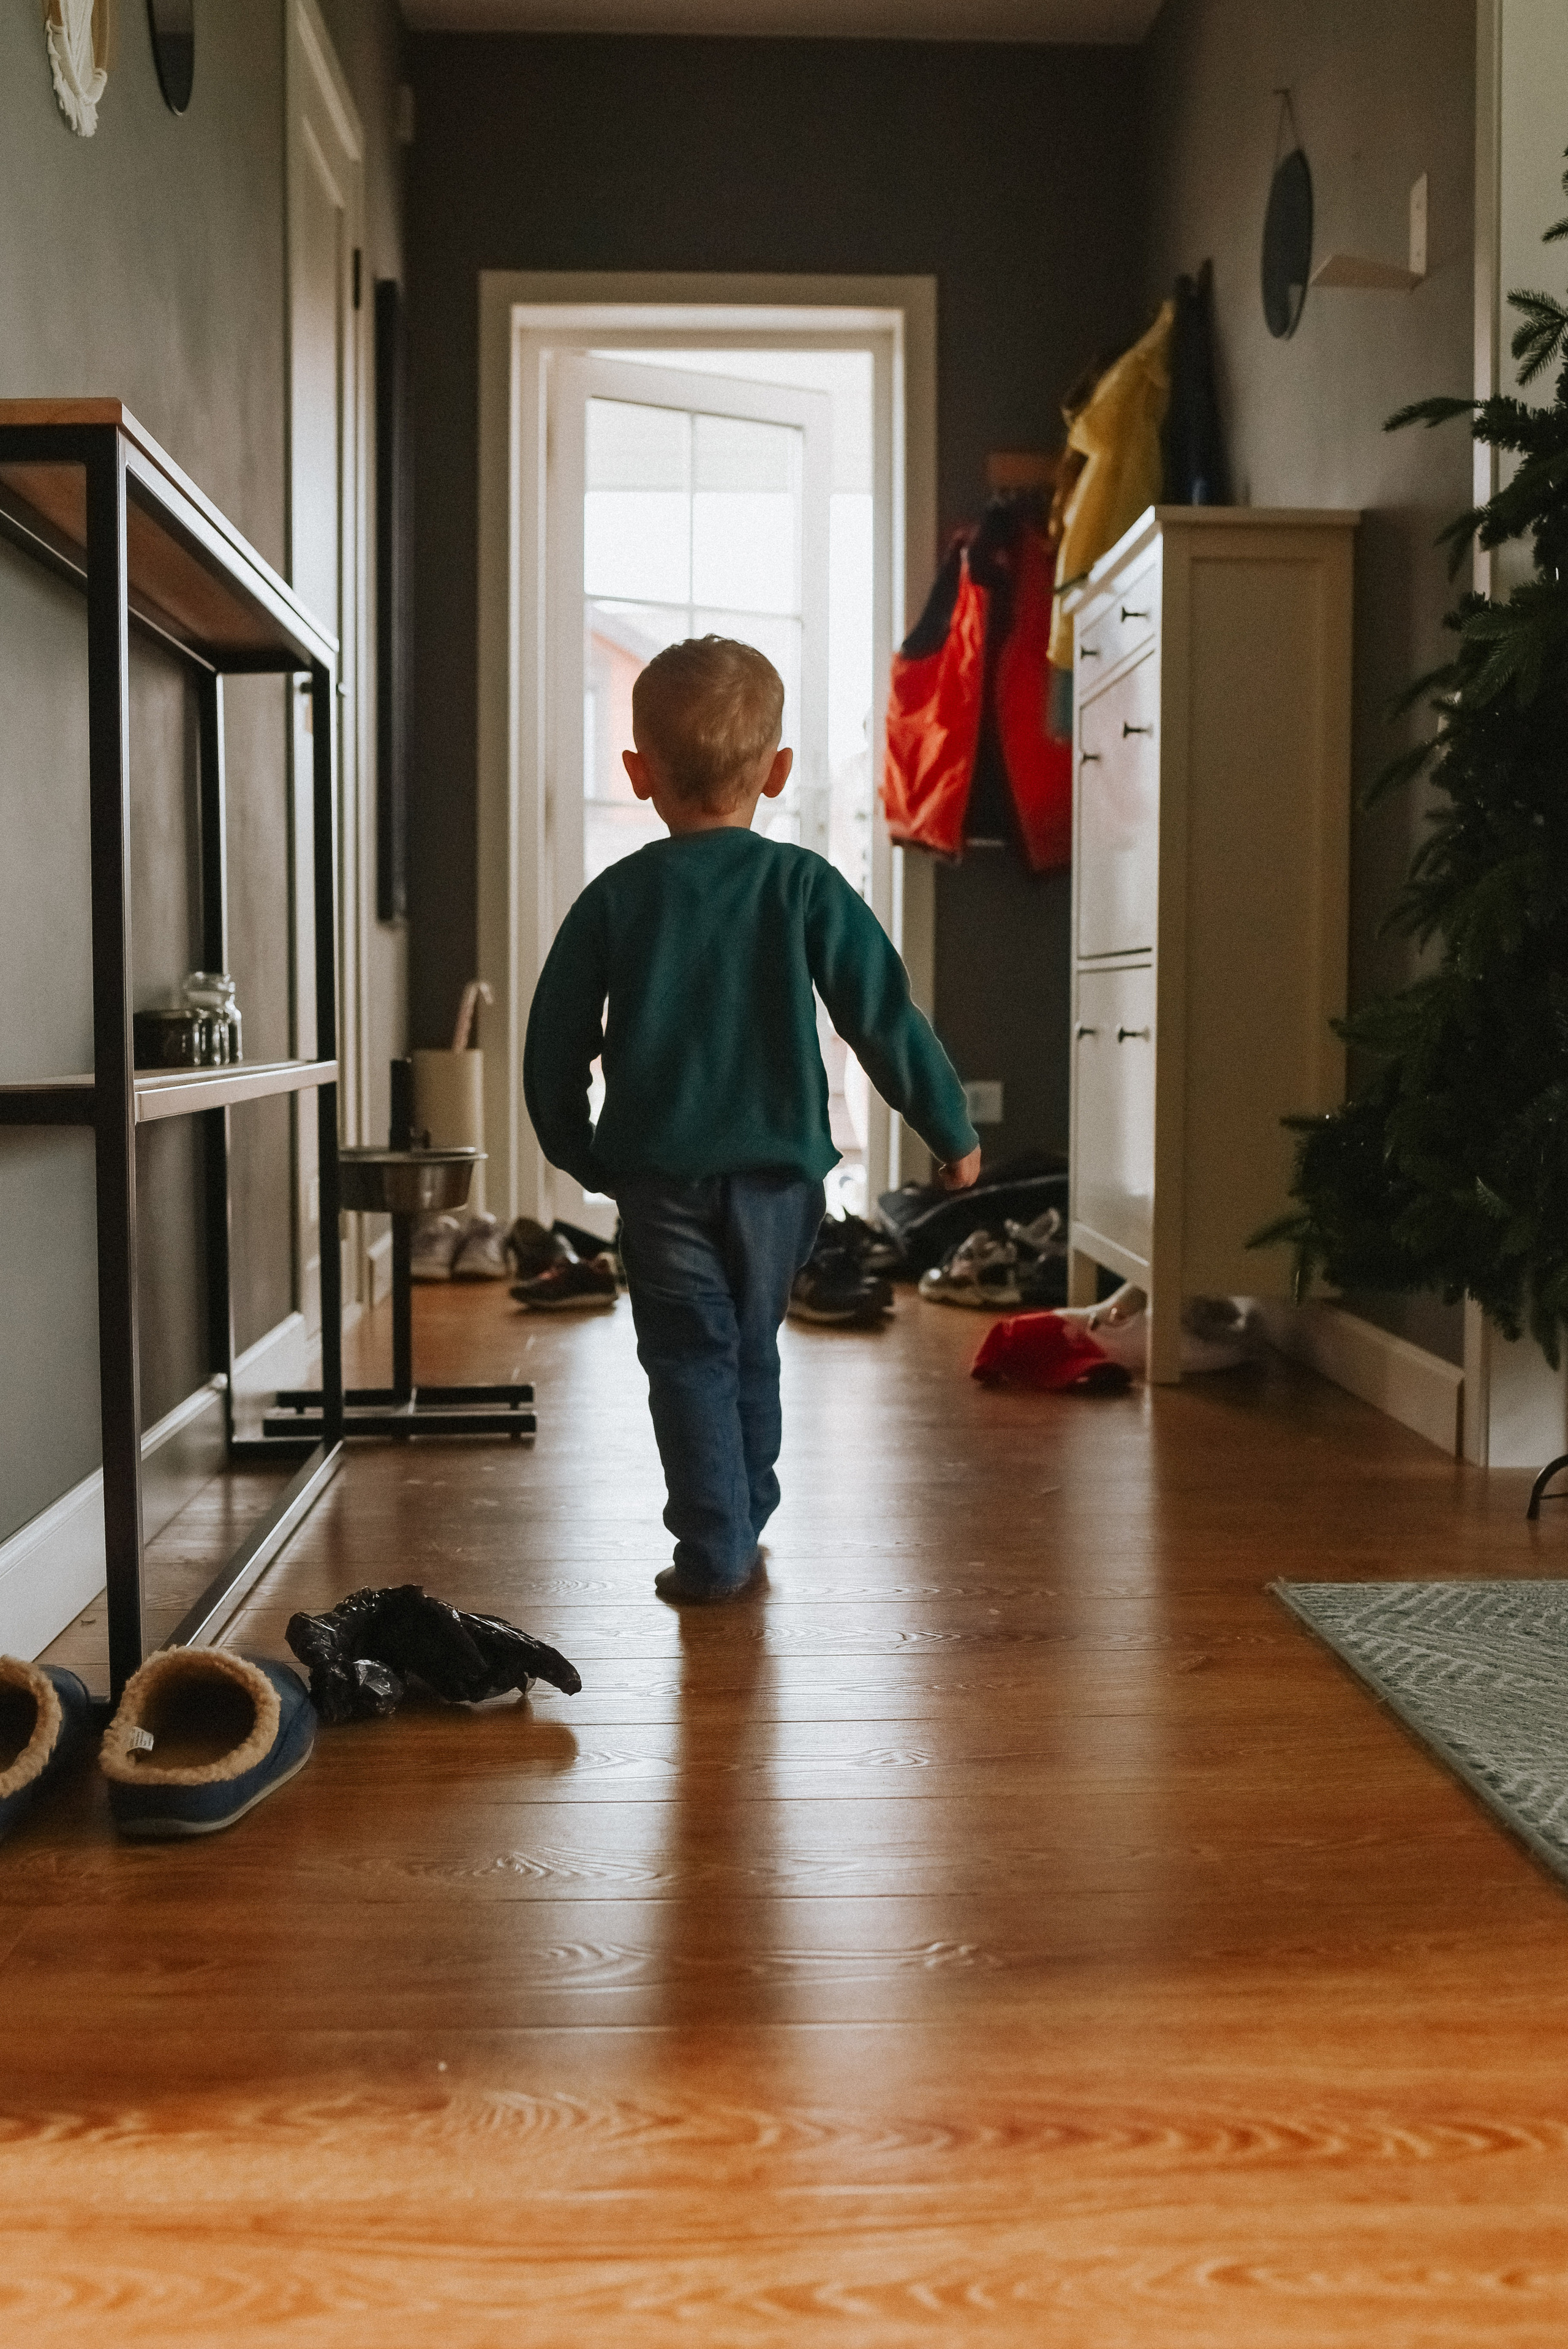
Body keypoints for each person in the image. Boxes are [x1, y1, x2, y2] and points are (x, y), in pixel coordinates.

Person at [524, 636, 981, 1604]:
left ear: (638, 774)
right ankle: (746, 1507)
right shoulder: (803, 885)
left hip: (659, 1178)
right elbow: (882, 1012)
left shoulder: (617, 897)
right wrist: (951, 1130)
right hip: (781, 1183)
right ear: (775, 773)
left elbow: (554, 1039)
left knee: (689, 1350)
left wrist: (579, 1150)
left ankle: (716, 1539)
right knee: (750, 1340)